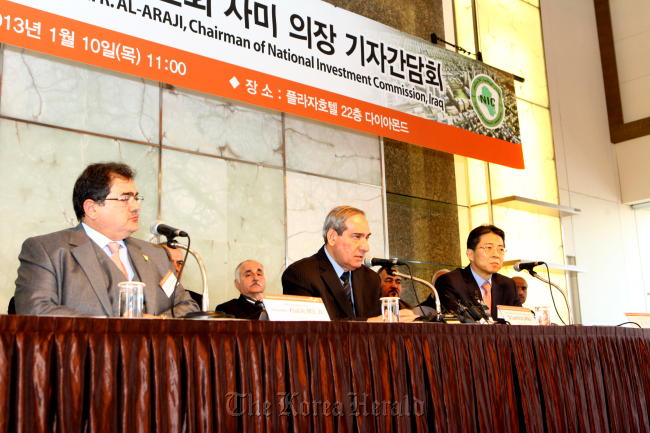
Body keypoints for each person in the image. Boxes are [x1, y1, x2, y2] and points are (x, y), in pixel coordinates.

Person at [14, 162, 199, 318]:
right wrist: (113, 328)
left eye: (135, 198)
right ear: (91, 208)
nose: (136, 206)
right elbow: (35, 310)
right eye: (125, 199)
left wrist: (161, 321)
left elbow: (188, 307)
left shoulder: (156, 254)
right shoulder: (47, 251)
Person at [282, 206, 416, 321]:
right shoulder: (301, 274)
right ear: (332, 237)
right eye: (357, 237)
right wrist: (369, 324)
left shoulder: (371, 279)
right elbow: (310, 329)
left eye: (366, 237)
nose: (366, 247)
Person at [435, 224, 522, 319]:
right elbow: (457, 325)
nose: (496, 255)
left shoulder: (509, 285)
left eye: (500, 249)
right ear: (470, 254)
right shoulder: (450, 282)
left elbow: (519, 325)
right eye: (488, 248)